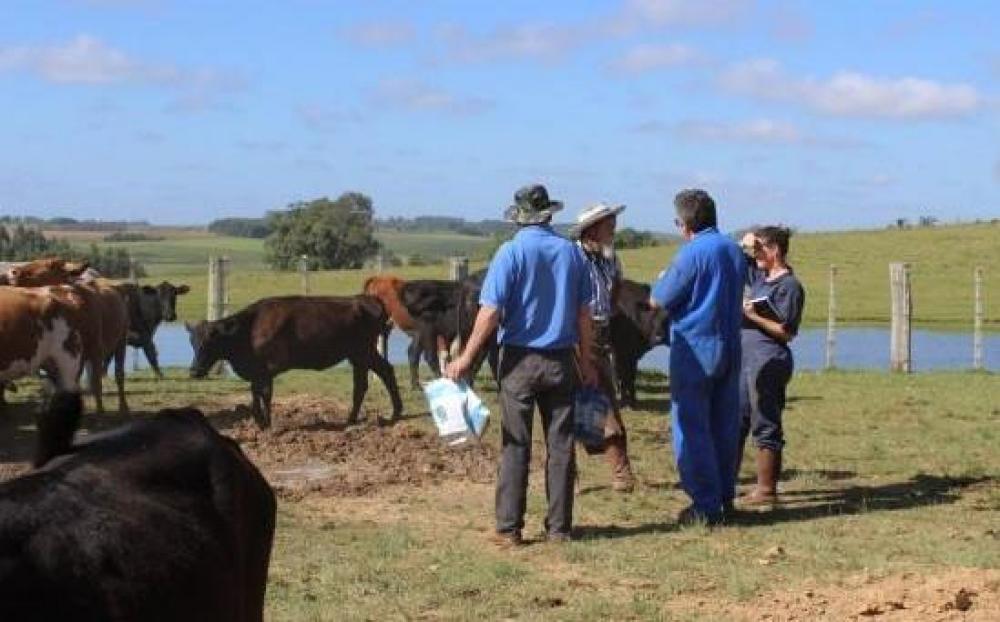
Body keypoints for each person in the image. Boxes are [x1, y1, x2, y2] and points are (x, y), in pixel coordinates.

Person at [444, 183, 596, 546]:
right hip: (561, 361)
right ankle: (559, 529)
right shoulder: (573, 255)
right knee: (561, 446)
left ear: (519, 217)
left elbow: (491, 311)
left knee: (516, 445)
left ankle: (509, 529)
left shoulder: (509, 253)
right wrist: (586, 361)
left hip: (519, 361)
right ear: (549, 214)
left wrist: (466, 358)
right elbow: (584, 315)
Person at [649, 189, 745, 525]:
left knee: (691, 426)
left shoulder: (690, 254)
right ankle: (725, 496)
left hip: (696, 346)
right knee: (725, 424)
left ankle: (704, 505)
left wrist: (659, 282)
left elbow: (659, 300)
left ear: (684, 223)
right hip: (731, 344)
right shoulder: (733, 249)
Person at [570, 202, 636, 492]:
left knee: (598, 398)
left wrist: (609, 311)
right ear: (592, 229)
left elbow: (616, 285)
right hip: (576, 332)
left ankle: (618, 472)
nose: (614, 228)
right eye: (609, 224)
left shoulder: (610, 258)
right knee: (589, 401)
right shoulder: (573, 258)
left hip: (600, 329)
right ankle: (614, 473)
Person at [738, 226, 805, 506]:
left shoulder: (789, 287)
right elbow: (736, 257)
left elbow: (786, 331)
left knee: (765, 420)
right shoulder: (760, 277)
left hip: (769, 359)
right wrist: (746, 242)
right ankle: (730, 482)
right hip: (746, 359)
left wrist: (753, 316)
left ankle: (767, 490)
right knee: (738, 419)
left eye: (761, 249)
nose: (756, 254)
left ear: (775, 250)